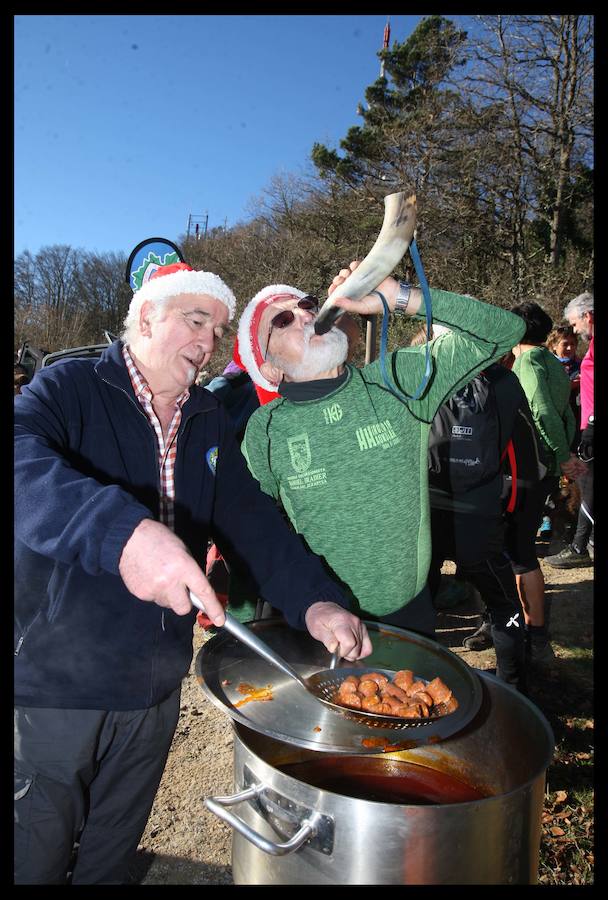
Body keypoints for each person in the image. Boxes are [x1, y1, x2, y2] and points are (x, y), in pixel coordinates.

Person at [14, 261, 372, 885]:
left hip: (153, 685)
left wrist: (315, 602)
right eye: (194, 320)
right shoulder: (69, 388)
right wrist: (122, 536)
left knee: (110, 858)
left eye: (218, 328)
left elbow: (255, 523)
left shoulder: (207, 416)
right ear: (145, 315)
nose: (207, 343)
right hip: (53, 686)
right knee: (33, 858)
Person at [236, 265, 527, 642]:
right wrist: (247, 623)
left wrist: (399, 297)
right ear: (268, 368)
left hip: (409, 615)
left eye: (307, 305)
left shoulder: (397, 381)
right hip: (320, 618)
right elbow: (252, 523)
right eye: (285, 319)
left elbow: (505, 332)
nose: (307, 314)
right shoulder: (265, 429)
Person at [425, 354, 543, 692]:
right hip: (479, 515)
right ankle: (513, 688)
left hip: (426, 513)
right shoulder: (504, 383)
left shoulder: (420, 373)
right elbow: (522, 452)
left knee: (422, 604)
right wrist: (517, 515)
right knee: (504, 604)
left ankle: (420, 682)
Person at [509, 301, 586, 662]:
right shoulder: (552, 363)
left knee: (518, 553)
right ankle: (529, 630)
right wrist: (564, 452)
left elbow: (539, 410)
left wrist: (561, 455)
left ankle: (531, 633)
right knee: (522, 549)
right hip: (545, 469)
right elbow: (567, 413)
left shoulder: (526, 361)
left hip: (529, 467)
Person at [545, 291, 594, 568]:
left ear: (587, 316)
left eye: (575, 325)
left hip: (588, 429)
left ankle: (579, 545)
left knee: (586, 485)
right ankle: (577, 541)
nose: (575, 331)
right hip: (579, 428)